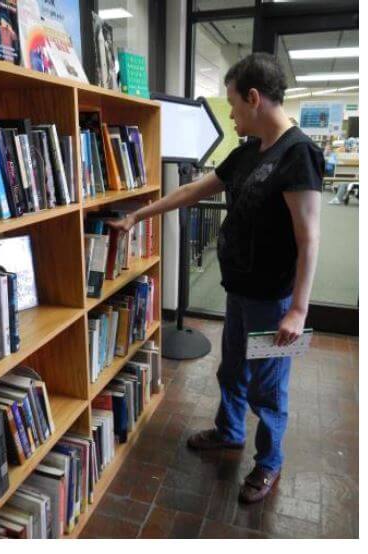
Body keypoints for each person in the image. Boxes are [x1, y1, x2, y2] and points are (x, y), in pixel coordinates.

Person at [109, 53, 323, 503]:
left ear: (254, 97)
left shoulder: (298, 153)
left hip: (273, 300)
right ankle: (229, 432)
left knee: (268, 387)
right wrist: (140, 214)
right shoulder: (248, 152)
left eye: (232, 104)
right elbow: (193, 190)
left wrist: (299, 310)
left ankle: (269, 463)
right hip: (241, 292)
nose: (230, 114)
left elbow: (309, 239)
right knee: (232, 371)